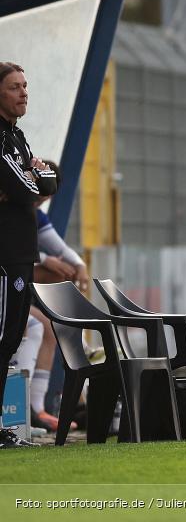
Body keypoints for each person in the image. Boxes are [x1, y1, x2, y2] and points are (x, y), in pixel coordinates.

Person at [0, 61, 57, 448]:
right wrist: (30, 180)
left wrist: (34, 178)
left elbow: (49, 180)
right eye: (14, 87)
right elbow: (24, 189)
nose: (24, 93)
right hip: (5, 253)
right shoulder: (2, 139)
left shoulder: (18, 137)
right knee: (3, 338)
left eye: (25, 85)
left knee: (12, 338)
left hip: (21, 251)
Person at [11, 161, 86, 432]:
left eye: (46, 191)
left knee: (51, 327)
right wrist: (45, 260)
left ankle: (35, 409)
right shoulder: (14, 210)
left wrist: (81, 268)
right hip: (8, 283)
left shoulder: (36, 215)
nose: (40, 197)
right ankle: (21, 411)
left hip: (13, 284)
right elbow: (11, 253)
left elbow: (62, 250)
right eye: (38, 189)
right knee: (33, 326)